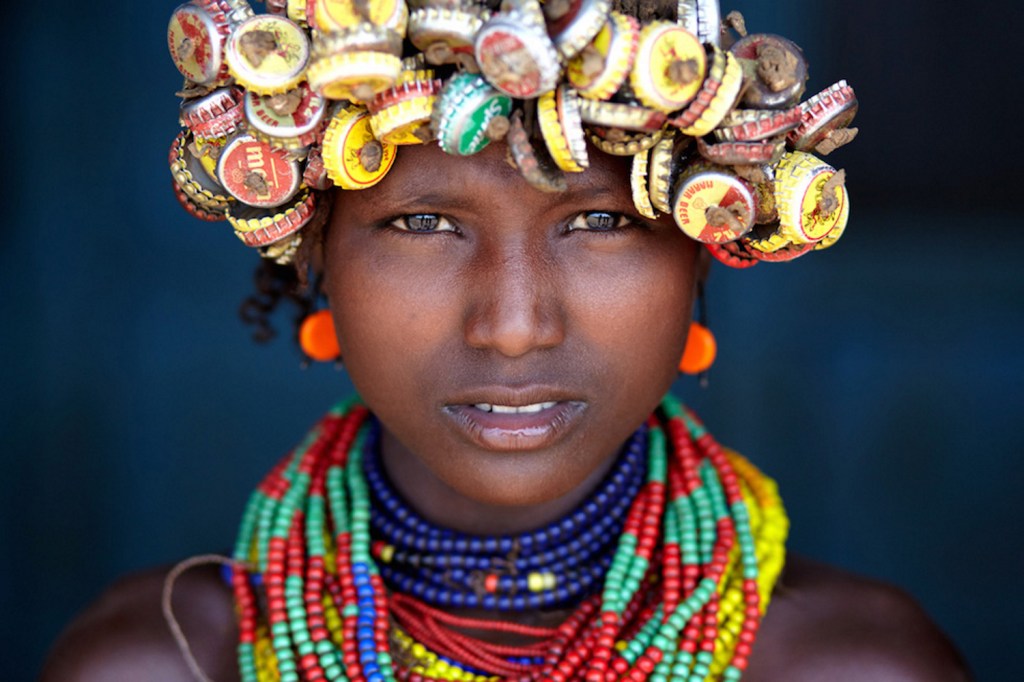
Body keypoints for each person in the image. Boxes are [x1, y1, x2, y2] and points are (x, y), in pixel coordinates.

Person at [42, 0, 970, 680]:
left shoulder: (854, 668)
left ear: (703, 248)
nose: (516, 329)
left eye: (601, 222)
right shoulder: (158, 663)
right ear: (312, 255)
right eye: (423, 225)